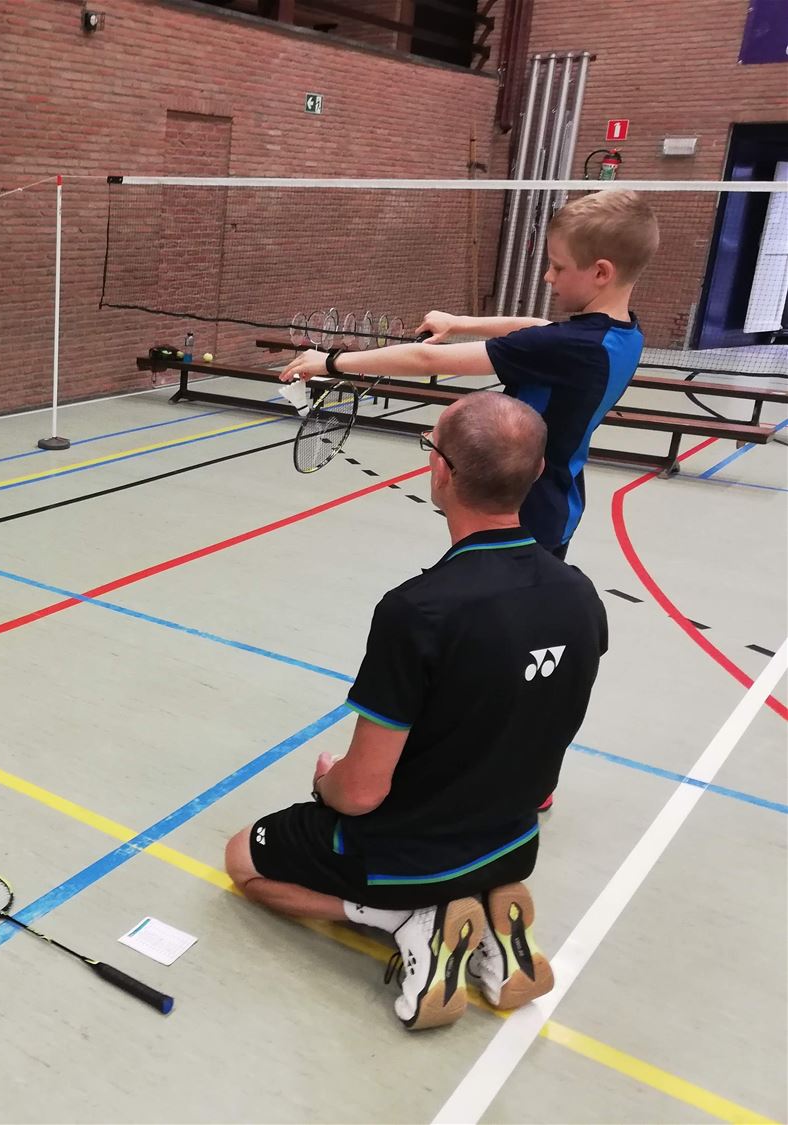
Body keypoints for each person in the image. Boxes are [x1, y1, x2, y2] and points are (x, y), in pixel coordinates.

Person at [224, 392, 608, 1030]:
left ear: (441, 471)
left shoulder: (418, 611)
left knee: (243, 858)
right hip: (513, 842)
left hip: (409, 854)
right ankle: (482, 912)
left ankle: (404, 917)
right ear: (539, 471)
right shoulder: (580, 594)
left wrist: (326, 782)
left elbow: (361, 794)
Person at [282, 189, 659, 562]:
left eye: (558, 267)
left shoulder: (568, 346)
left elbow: (427, 359)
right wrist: (460, 323)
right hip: (560, 498)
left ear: (601, 272)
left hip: (520, 512)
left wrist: (330, 362)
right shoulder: (623, 335)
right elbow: (536, 326)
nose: (548, 276)